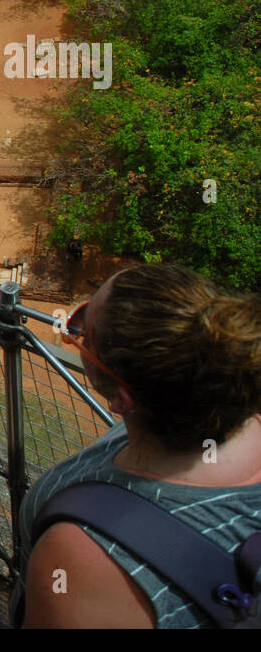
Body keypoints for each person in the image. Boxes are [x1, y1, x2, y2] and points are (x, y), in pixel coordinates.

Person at [20, 263, 261, 628]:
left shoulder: (82, 556)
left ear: (122, 398)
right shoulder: (237, 397)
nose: (75, 322)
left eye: (81, 329)